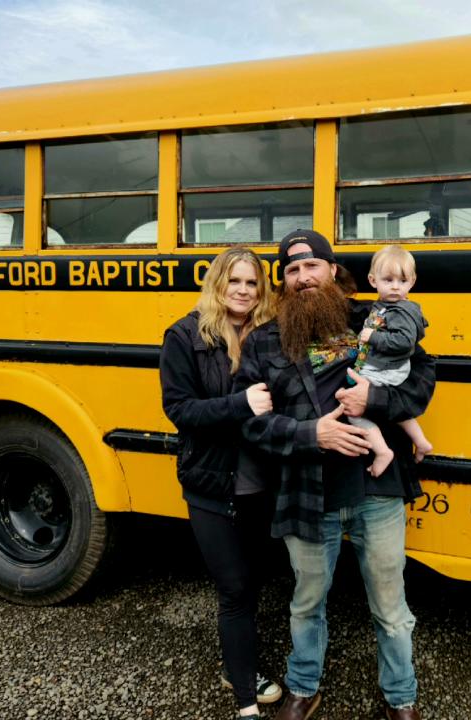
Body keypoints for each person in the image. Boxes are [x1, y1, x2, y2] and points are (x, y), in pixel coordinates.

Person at [234, 229, 435, 720]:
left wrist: (376, 400)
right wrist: (311, 435)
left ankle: (401, 697)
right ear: (283, 282)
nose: (303, 278)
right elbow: (248, 420)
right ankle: (303, 687)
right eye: (292, 270)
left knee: (390, 605)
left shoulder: (377, 319)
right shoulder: (264, 341)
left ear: (333, 271)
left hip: (375, 487)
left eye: (312, 267)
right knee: (306, 602)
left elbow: (424, 379)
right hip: (306, 491)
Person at [159, 246, 282, 720]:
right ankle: (246, 703)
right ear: (217, 283)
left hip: (262, 486)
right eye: (235, 281)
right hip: (212, 485)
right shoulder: (185, 336)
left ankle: (237, 666)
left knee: (251, 585)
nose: (244, 291)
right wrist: (239, 405)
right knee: (233, 588)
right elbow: (179, 409)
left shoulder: (270, 335)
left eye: (253, 283)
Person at [351, 244, 434, 476]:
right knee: (395, 411)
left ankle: (382, 451)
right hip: (387, 367)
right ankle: (421, 440)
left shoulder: (400, 311)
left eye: (402, 280)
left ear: (412, 282)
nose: (396, 286)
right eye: (388, 280)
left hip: (386, 370)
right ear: (372, 280)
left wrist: (372, 337)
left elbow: (404, 342)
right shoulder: (387, 307)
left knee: (352, 408)